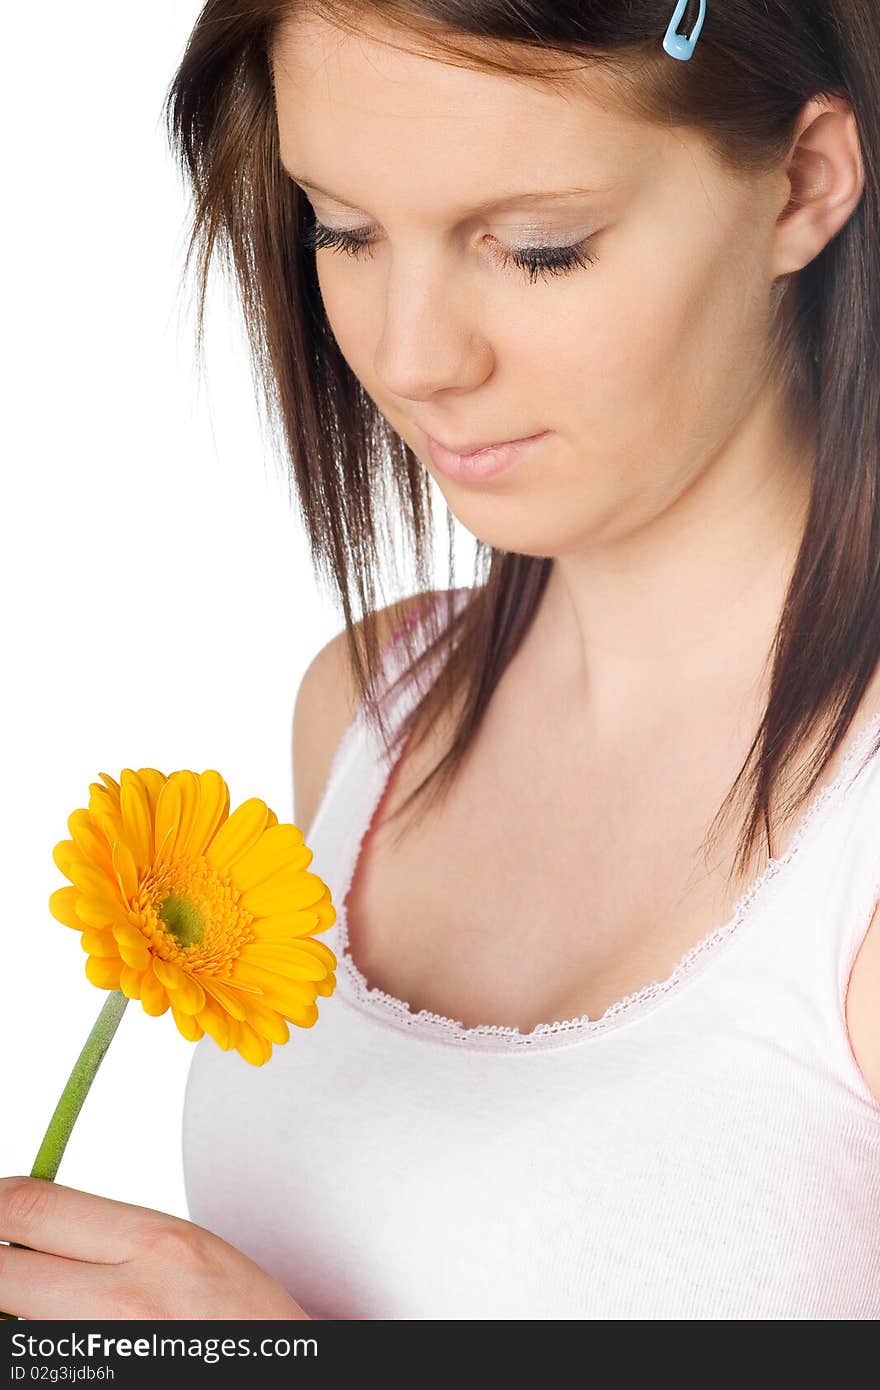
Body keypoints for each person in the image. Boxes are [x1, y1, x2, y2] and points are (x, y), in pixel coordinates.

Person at [9, 1, 871, 1323]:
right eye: (342, 229)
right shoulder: (370, 709)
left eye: (540, 250)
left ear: (802, 185)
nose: (409, 359)